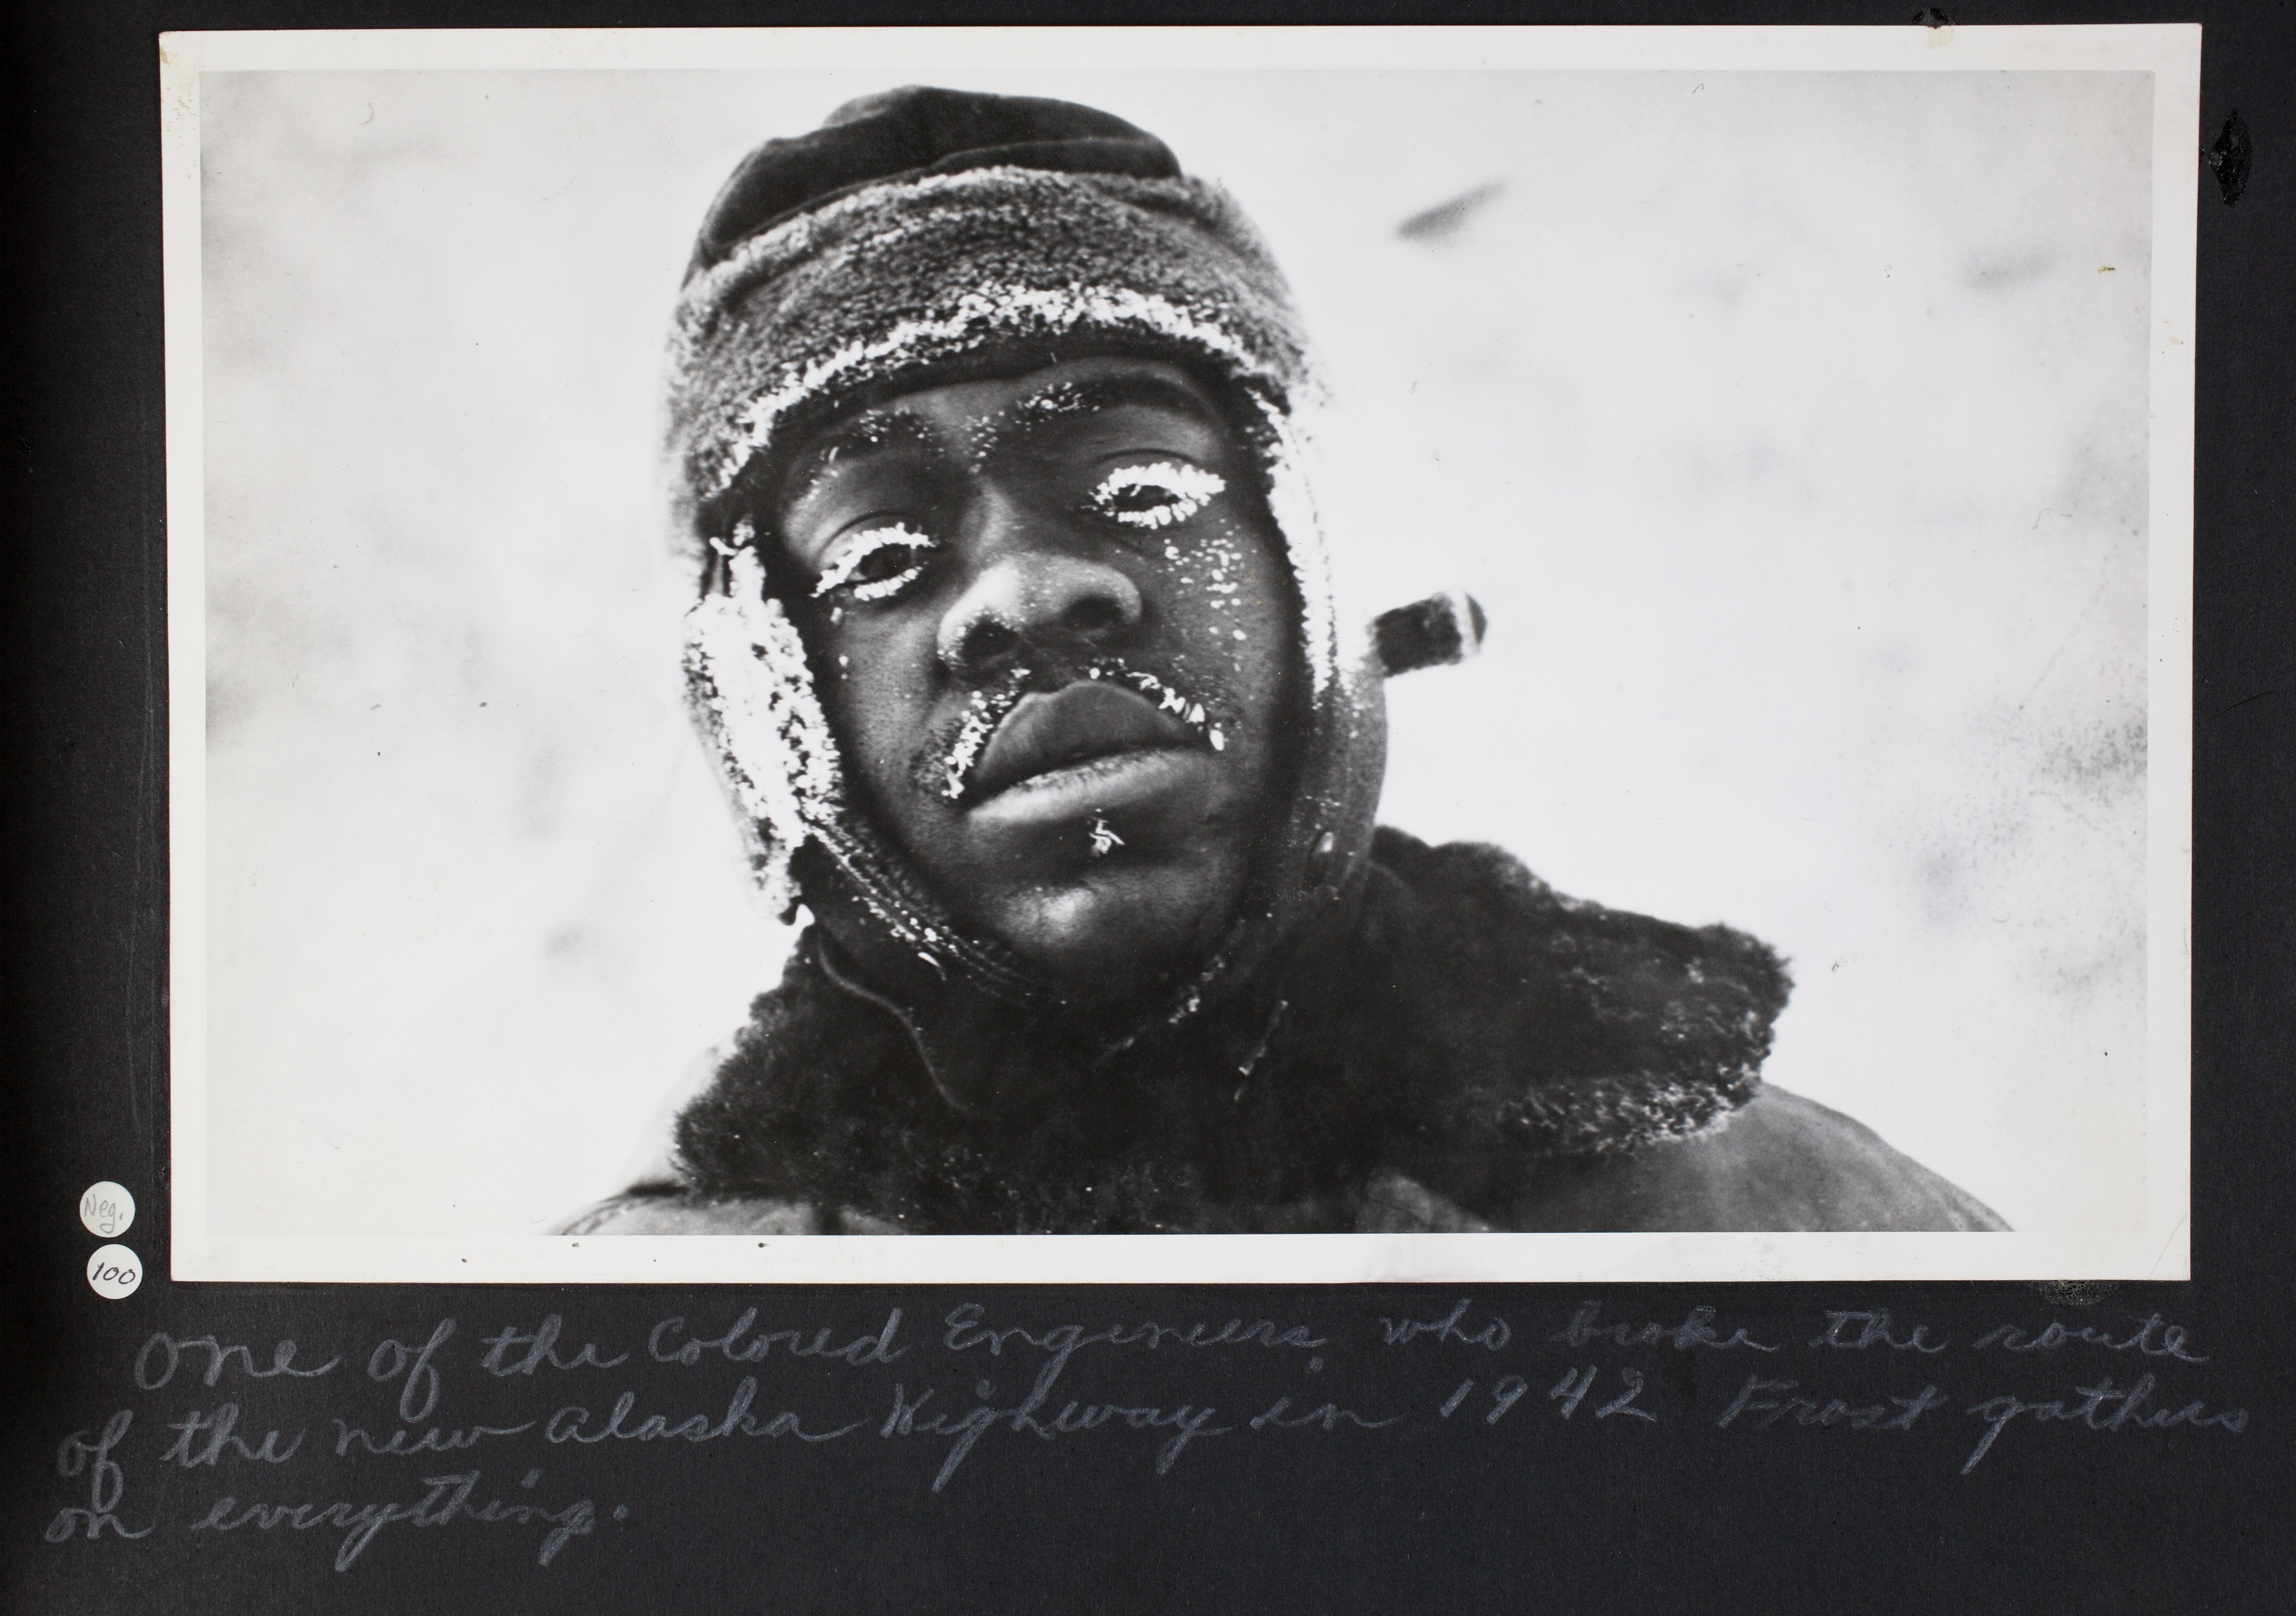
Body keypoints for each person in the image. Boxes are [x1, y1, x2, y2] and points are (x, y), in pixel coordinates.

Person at [563, 87, 2005, 1236]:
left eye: (1141, 489)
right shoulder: (639, 1358)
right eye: (880, 558)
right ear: (762, 710)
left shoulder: (1812, 1232)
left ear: (1315, 568)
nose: (1023, 587)